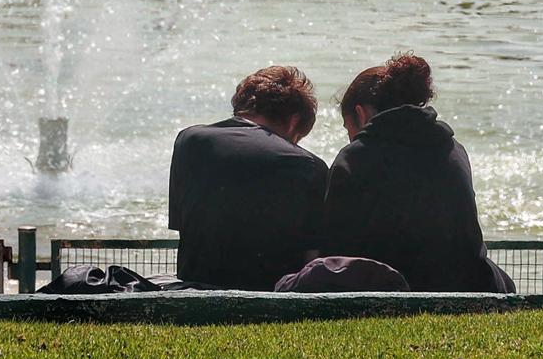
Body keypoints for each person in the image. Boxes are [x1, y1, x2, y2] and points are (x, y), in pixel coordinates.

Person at [322, 53, 513, 293]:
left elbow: (334, 248)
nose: (349, 136)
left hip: (391, 290)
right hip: (467, 285)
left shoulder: (354, 158)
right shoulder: (454, 149)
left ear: (361, 114)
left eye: (347, 127)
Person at [168, 64, 326, 290]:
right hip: (270, 293)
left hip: (197, 286)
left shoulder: (189, 140)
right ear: (293, 121)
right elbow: (313, 257)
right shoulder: (307, 164)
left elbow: (185, 225)